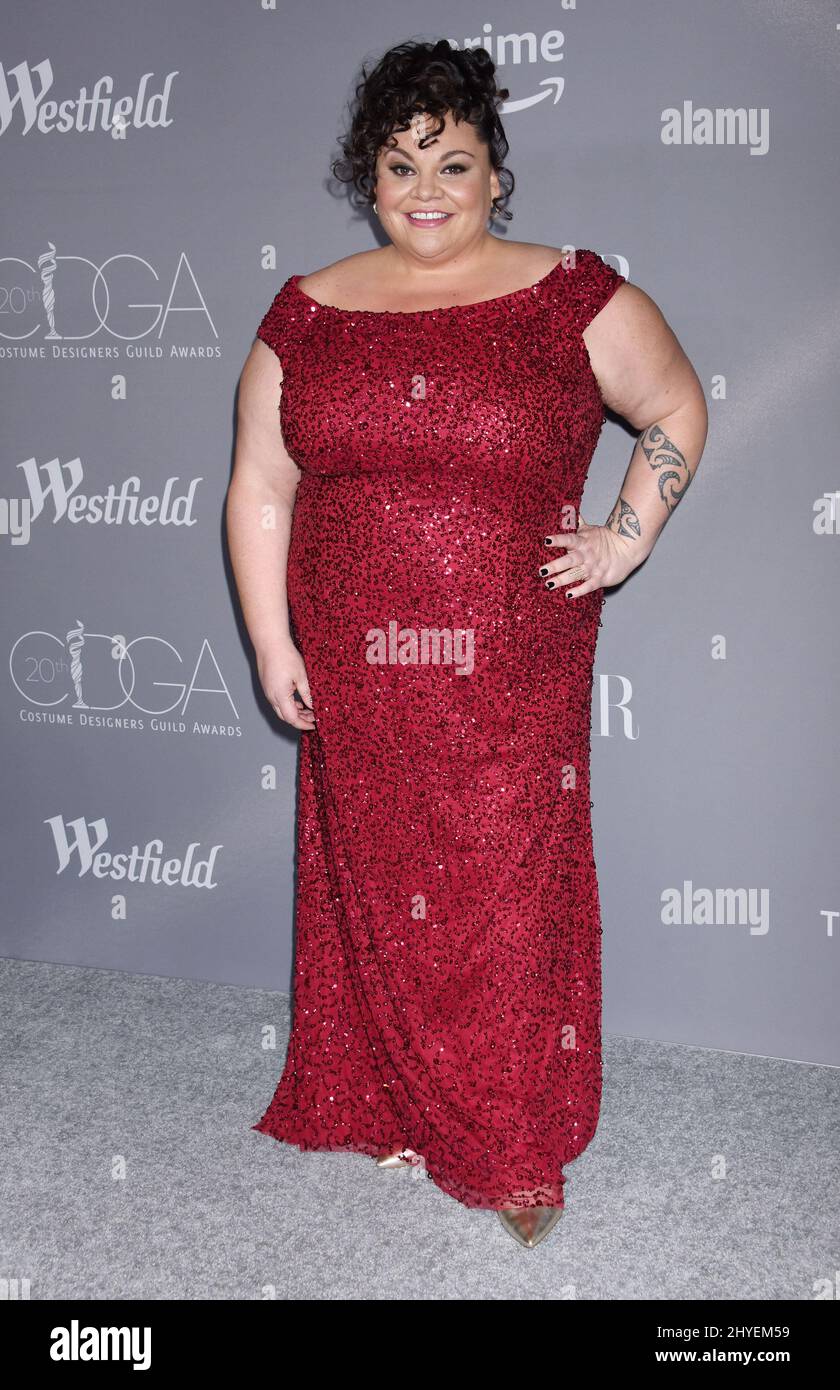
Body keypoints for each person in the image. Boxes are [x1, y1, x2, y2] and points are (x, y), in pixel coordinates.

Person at [228, 38, 708, 1249]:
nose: (424, 187)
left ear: (497, 169)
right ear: (370, 180)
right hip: (354, 658)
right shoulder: (307, 310)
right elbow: (260, 489)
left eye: (450, 159)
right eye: (398, 164)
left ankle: (506, 1131)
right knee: (374, 881)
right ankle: (390, 1091)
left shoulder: (573, 295)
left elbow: (675, 408)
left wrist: (623, 538)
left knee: (504, 890)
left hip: (510, 665)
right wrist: (270, 633)